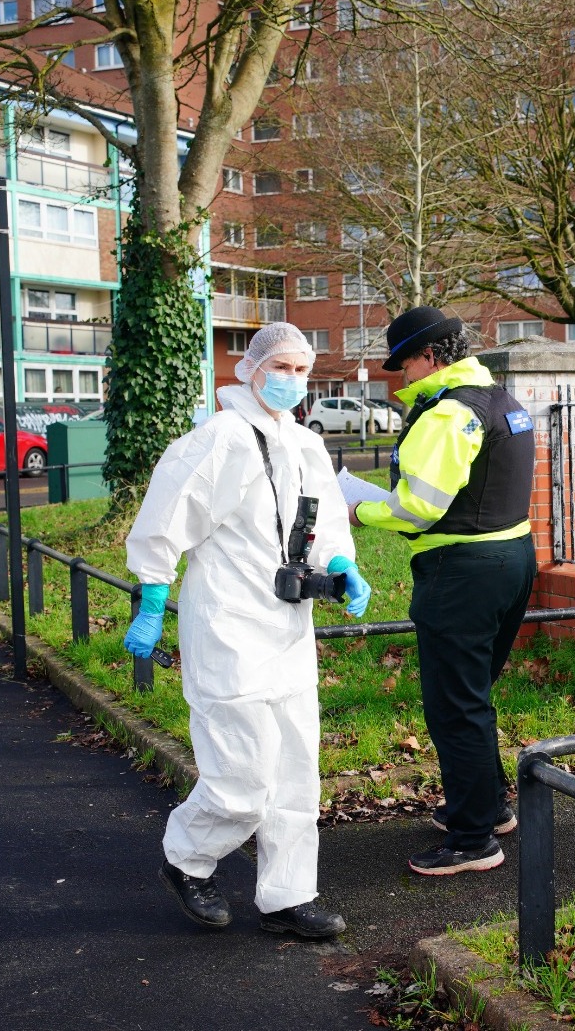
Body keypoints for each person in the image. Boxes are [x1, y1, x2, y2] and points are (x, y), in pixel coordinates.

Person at [122, 322, 372, 937]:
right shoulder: (220, 439)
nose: (292, 381)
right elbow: (166, 519)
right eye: (281, 367)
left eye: (302, 370)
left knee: (294, 769)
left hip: (288, 629)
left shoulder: (306, 446)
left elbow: (327, 523)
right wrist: (153, 597)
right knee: (242, 776)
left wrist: (340, 566)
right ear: (252, 369)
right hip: (229, 629)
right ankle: (187, 859)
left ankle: (288, 896)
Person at [349, 306, 536, 876]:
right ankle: (488, 807)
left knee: (455, 707)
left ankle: (473, 840)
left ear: (429, 356)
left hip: (461, 572)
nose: (401, 376)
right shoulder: (502, 401)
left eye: (403, 363)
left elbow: (419, 506)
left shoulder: (447, 414)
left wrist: (358, 510)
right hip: (513, 559)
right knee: (474, 695)